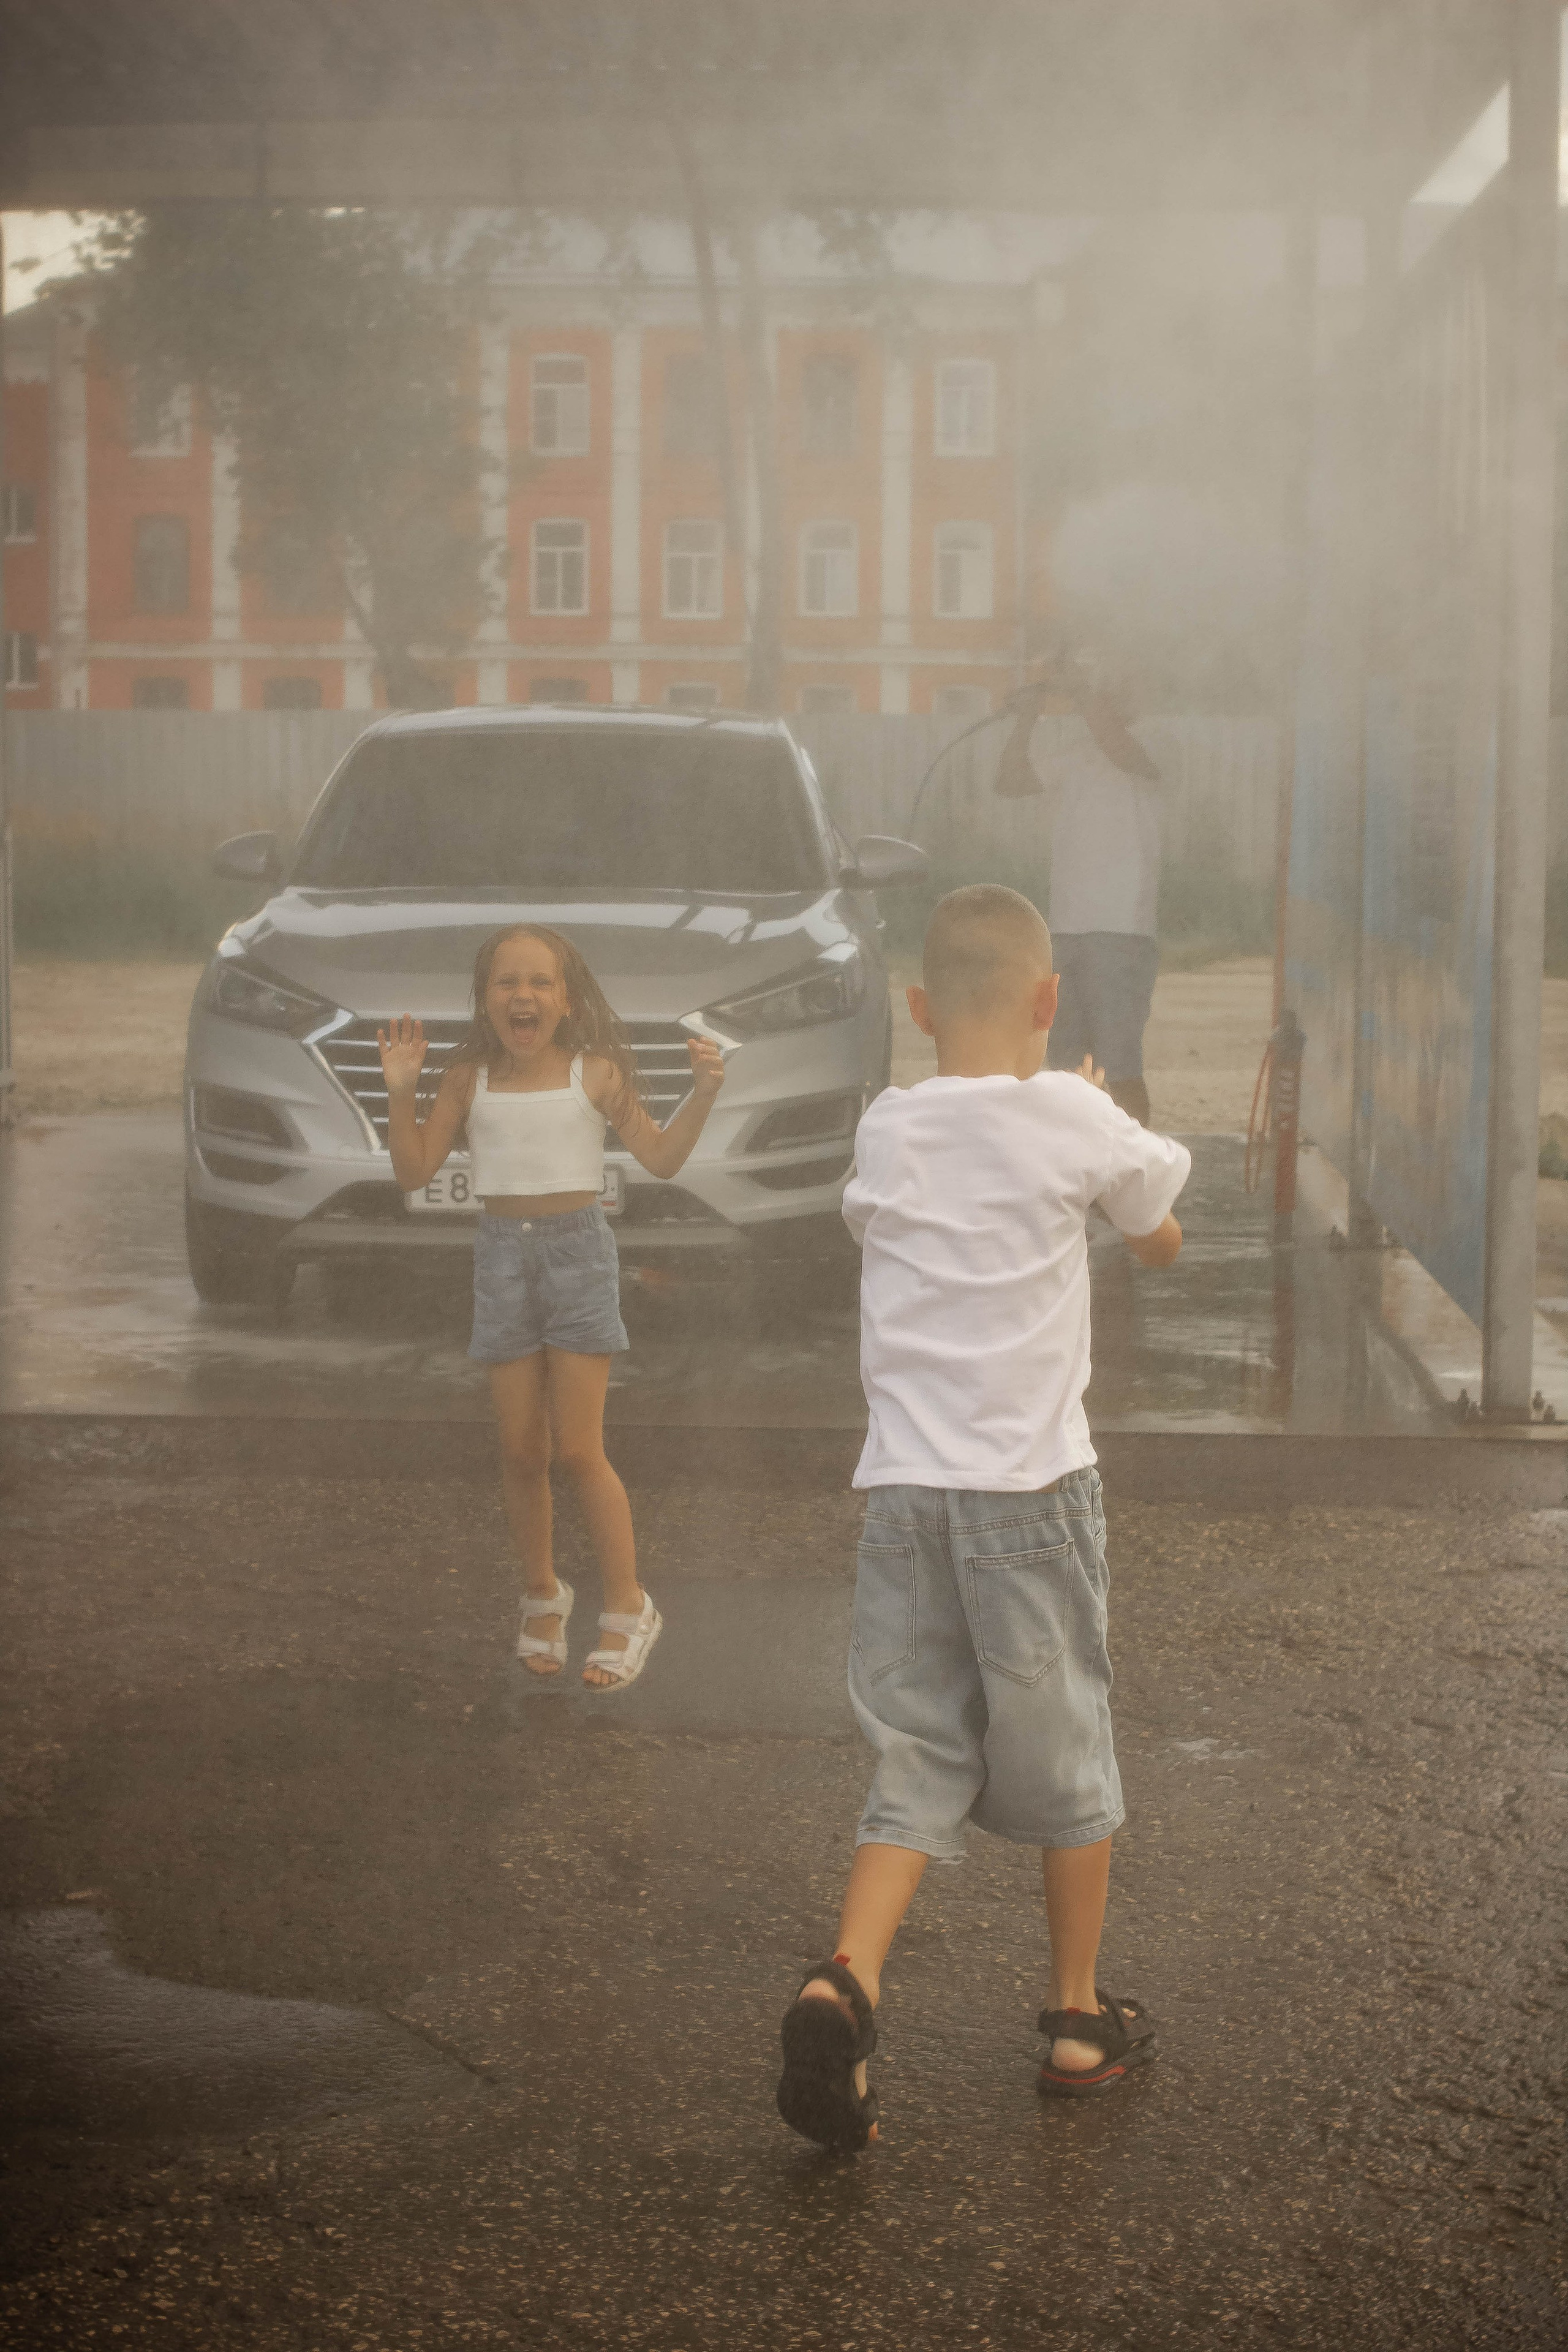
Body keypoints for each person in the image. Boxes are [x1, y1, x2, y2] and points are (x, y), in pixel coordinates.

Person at [775, 884, 1189, 2150]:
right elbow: (1156, 1234)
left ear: (915, 1008)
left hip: (904, 1492)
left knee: (915, 1750)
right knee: (1063, 1745)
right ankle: (1073, 2018)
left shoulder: (888, 1128)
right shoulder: (1070, 1110)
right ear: (1048, 1000)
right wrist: (1089, 1101)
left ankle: (841, 1979)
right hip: (1030, 1493)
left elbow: (885, 1220)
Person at [377, 924, 725, 1692]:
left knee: (577, 1449)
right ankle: (542, 1591)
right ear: (486, 999)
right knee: (520, 1452)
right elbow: (412, 1171)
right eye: (507, 983)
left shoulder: (594, 1073)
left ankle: (629, 1605)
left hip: (577, 1258)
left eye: (539, 983)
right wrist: (402, 1091)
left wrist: (703, 1093)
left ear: (565, 1001)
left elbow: (662, 1158)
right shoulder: (467, 1079)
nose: (522, 995)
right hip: (500, 1259)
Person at [1042, 674, 1163, 1125]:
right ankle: (1080, 1175)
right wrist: (1024, 717)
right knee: (1068, 1071)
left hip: (1121, 928)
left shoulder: (1152, 741)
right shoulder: (1076, 751)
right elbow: (1012, 781)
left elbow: (1114, 740)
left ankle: (1135, 1179)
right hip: (1064, 925)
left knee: (1120, 1068)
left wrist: (1076, 688)